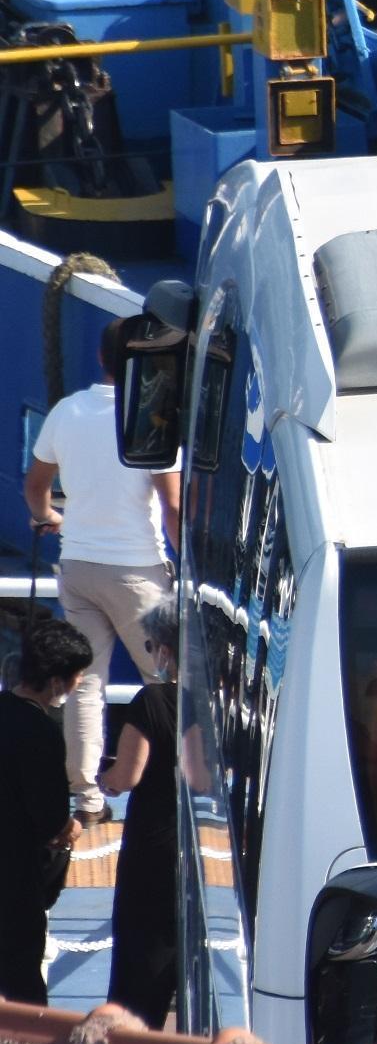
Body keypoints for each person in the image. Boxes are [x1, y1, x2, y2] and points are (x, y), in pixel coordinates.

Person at [24, 319, 180, 822]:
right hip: (138, 570)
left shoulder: (67, 411)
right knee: (173, 681)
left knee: (84, 684)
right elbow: (172, 506)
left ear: (101, 358)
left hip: (79, 566)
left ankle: (87, 799)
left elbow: (36, 484)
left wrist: (49, 518)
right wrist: (189, 567)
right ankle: (185, 782)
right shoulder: (151, 415)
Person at [0, 619, 91, 1006]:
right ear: (57, 680)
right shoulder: (42, 733)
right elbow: (51, 817)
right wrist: (71, 828)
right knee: (20, 983)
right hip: (14, 876)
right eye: (76, 677)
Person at [101, 602, 182, 1027]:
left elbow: (127, 776)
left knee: (140, 960)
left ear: (166, 649)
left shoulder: (152, 700)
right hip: (210, 846)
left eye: (151, 646)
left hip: (154, 844)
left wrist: (104, 778)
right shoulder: (221, 704)